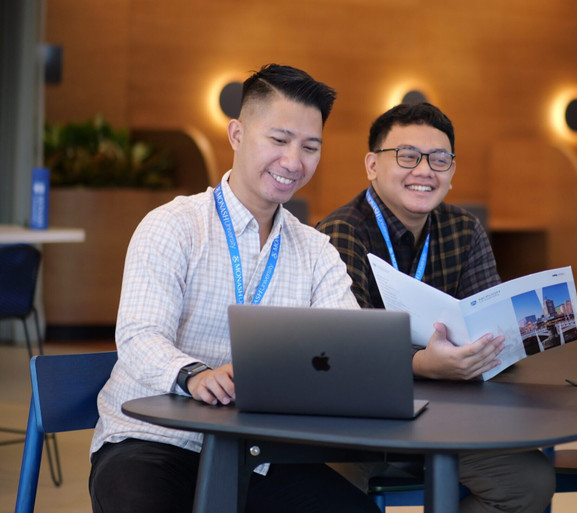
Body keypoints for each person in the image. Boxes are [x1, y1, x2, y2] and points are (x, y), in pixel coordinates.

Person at [88, 64, 380, 513]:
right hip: (154, 442)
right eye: (279, 140)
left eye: (309, 147)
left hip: (259, 455)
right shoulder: (174, 226)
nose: (293, 162)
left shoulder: (316, 250)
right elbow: (138, 335)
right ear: (237, 135)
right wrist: (196, 374)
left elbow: (345, 349)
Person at [316, 102, 555, 513]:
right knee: (326, 492)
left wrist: (496, 342)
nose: (425, 170)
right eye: (407, 156)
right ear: (372, 165)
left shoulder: (464, 229)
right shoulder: (341, 232)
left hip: (452, 412)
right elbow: (346, 346)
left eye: (439, 159)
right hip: (362, 418)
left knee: (529, 485)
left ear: (451, 171)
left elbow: (489, 324)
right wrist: (421, 363)